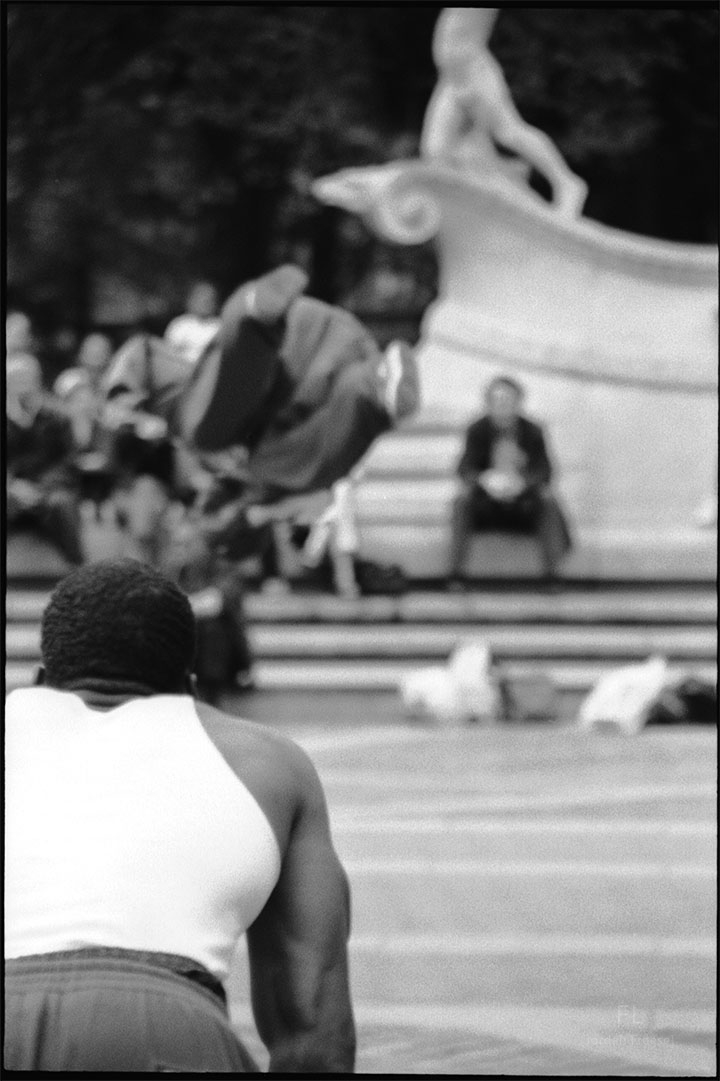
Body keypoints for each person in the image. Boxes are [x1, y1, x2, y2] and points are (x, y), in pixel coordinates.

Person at [4, 559, 355, 1072]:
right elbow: (315, 1030)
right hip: (173, 1028)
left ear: (40, 682)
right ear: (188, 690)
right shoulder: (269, 764)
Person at [104, 263, 420, 504]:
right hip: (320, 347)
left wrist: (122, 400)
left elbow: (140, 355)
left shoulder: (178, 369)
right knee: (305, 461)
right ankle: (374, 385)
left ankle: (252, 316)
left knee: (212, 422)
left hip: (262, 364)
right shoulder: (264, 471)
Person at [420, 7, 587, 217]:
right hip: (452, 79)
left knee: (508, 131)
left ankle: (566, 182)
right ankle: (493, 192)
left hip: (474, 71)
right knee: (435, 152)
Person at [448, 375, 572, 589]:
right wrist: (485, 480)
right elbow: (465, 468)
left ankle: (552, 576)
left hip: (522, 504)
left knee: (548, 501)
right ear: (488, 403)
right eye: (497, 400)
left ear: (518, 403)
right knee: (462, 501)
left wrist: (522, 483)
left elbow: (545, 470)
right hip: (487, 504)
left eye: (508, 400)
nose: (503, 405)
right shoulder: (477, 430)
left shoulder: (532, 431)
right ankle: (456, 575)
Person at [6, 354, 85, 565]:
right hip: (11, 491)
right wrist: (12, 486)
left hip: (50, 490)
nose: (21, 384)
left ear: (37, 380)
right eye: (15, 378)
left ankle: (78, 569)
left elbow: (69, 460)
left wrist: (40, 488)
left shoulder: (58, 416)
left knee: (63, 503)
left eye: (26, 378)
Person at [165, 279, 223, 366]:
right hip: (183, 371)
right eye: (202, 298)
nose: (206, 303)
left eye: (210, 299)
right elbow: (168, 354)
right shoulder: (180, 325)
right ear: (192, 300)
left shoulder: (220, 327)